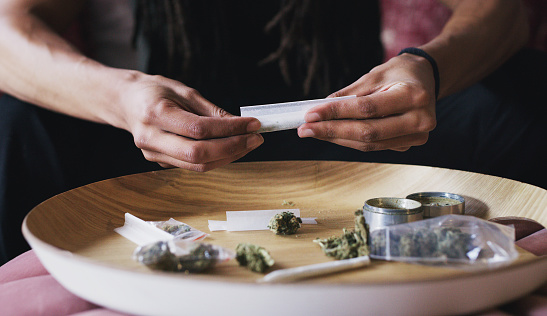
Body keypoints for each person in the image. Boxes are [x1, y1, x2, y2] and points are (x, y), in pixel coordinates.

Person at [0, 0, 544, 265]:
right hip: (142, 151)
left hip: (348, 141)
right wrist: (120, 98)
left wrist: (427, 66)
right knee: (14, 127)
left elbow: (504, 11)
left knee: (525, 95)